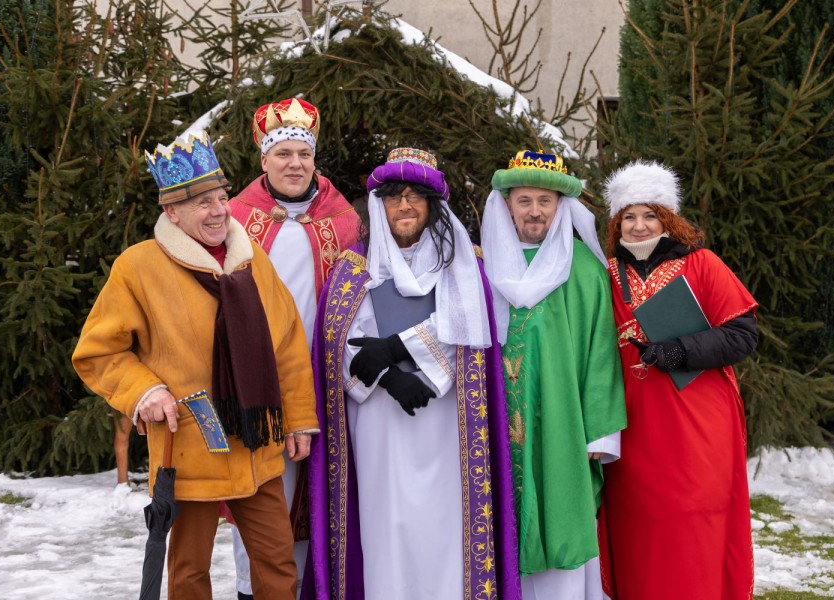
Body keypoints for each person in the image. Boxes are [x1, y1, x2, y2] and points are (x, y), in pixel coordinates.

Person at [72, 132, 318, 600]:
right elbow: (99, 351)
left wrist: (299, 417)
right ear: (171, 211)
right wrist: (145, 391)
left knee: (277, 564)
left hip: (256, 440)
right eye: (203, 202)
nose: (219, 211)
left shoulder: (251, 261)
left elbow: (287, 343)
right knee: (188, 574)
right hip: (188, 442)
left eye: (222, 198)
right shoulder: (138, 268)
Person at [302, 148, 521, 600]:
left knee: (446, 523)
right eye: (393, 197)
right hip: (377, 421)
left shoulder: (463, 261)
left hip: (445, 417)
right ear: (379, 205)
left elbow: (469, 325)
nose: (404, 205)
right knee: (385, 523)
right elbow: (338, 338)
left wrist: (402, 355)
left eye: (415, 196)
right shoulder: (353, 266)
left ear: (431, 204)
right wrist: (388, 377)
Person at [596, 160, 758, 599]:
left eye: (650, 215)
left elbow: (742, 335)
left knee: (695, 525)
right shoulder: (602, 275)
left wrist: (680, 350)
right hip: (632, 431)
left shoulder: (701, 265)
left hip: (697, 427)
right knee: (637, 529)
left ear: (668, 218)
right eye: (629, 216)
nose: (639, 225)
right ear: (616, 224)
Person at [227, 97, 361, 599]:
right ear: (264, 159)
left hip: (326, 382)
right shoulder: (235, 219)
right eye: (283, 154)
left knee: (320, 493)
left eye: (304, 154)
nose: (295, 164)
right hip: (257, 381)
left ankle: (310, 588)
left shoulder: (344, 220)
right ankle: (252, 589)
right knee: (261, 494)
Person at [480, 150, 627, 600]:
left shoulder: (583, 270)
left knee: (561, 510)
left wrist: (600, 433)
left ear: (561, 207)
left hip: (563, 426)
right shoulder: (483, 269)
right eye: (524, 200)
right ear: (507, 205)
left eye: (545, 201)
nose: (535, 211)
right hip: (494, 424)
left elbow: (601, 352)